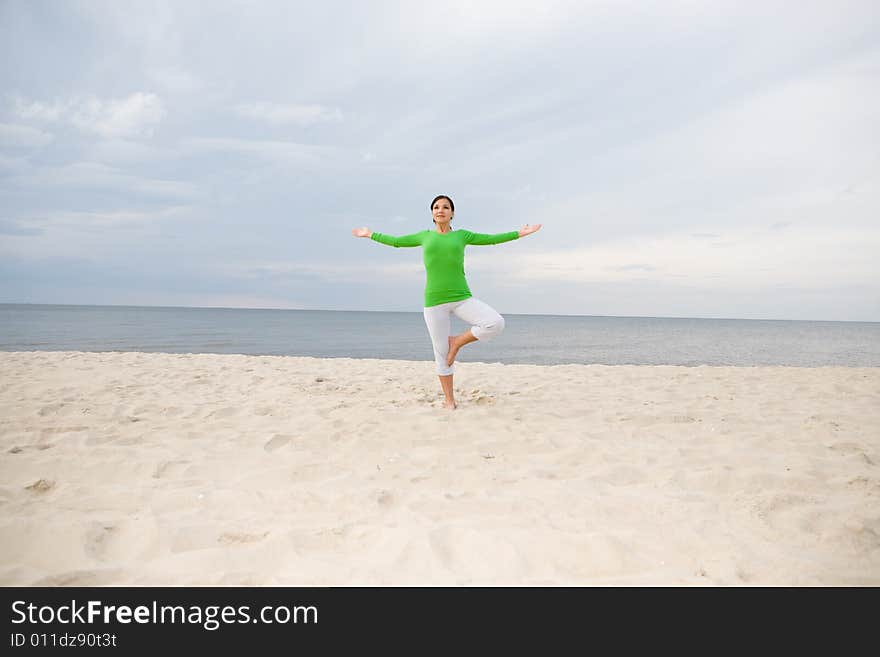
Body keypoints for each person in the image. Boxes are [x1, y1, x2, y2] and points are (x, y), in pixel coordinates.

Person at [352, 195, 542, 409]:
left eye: (445, 207)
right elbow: (396, 242)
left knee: (495, 323)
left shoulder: (462, 235)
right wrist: (370, 234)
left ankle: (457, 342)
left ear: (452, 213)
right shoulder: (425, 237)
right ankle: (449, 401)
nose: (440, 210)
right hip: (434, 302)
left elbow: (491, 239)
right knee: (441, 355)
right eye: (436, 207)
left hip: (462, 297)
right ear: (432, 213)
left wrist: (520, 233)